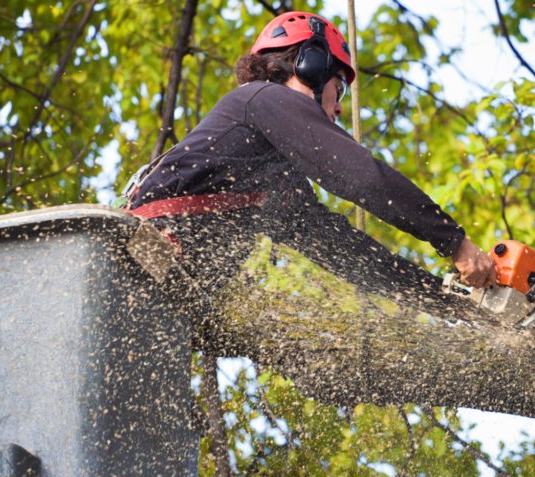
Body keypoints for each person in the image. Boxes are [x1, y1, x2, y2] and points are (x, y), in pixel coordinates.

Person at [124, 11, 496, 294]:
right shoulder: (263, 98)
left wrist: (443, 296)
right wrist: (455, 242)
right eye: (340, 87)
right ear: (311, 66)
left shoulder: (274, 176)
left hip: (159, 288)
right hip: (136, 261)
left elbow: (344, 251)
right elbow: (363, 176)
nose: (338, 109)